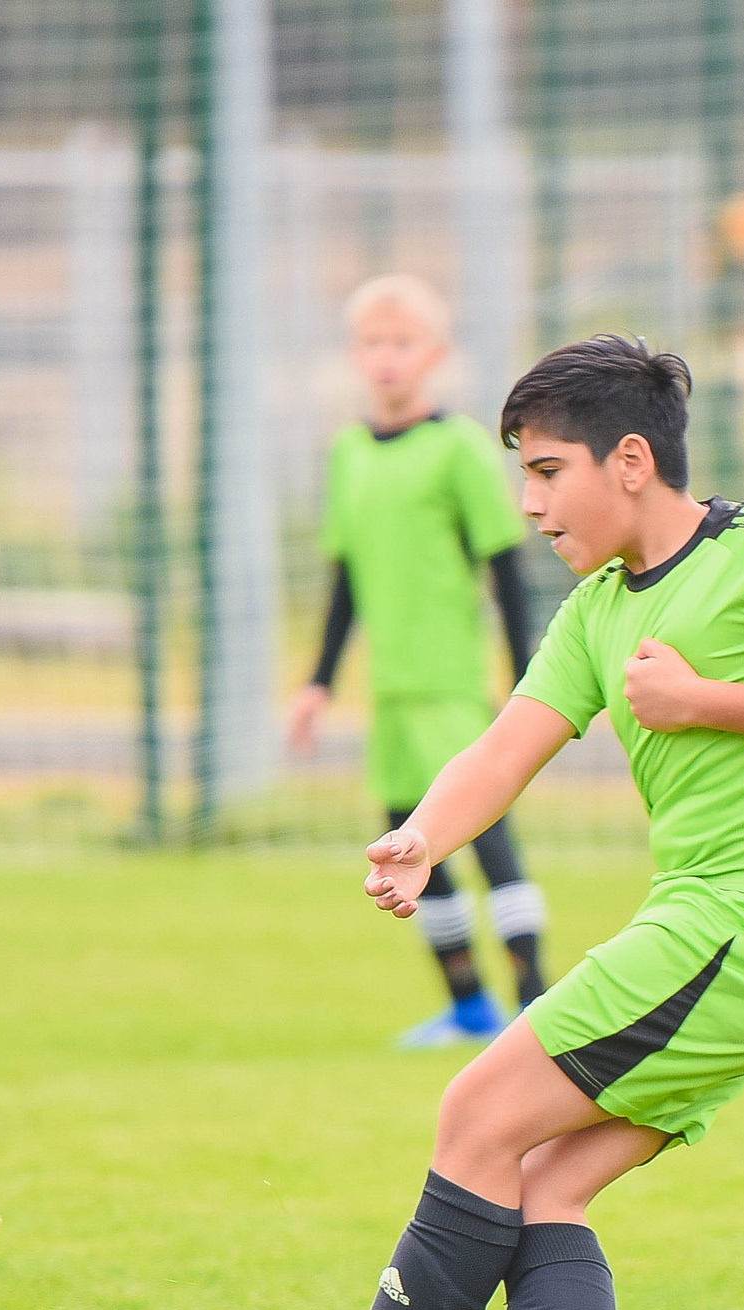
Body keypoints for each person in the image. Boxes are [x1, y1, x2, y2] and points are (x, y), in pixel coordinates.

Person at [189, 335, 744, 1310]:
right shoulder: (596, 611)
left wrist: (703, 702)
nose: (526, 502)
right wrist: (421, 836)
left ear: (630, 460)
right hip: (722, 928)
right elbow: (504, 745)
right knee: (541, 1178)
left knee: (476, 1111)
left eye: (545, 471)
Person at [291, 274, 549, 1049]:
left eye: (403, 343)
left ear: (434, 355)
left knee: (486, 840)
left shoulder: (461, 448)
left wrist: (528, 678)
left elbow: (506, 571)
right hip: (393, 693)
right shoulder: (348, 454)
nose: (387, 358)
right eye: (373, 343)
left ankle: (535, 1003)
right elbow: (346, 583)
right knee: (404, 845)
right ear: (355, 356)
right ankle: (470, 1005)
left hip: (453, 686)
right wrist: (317, 682)